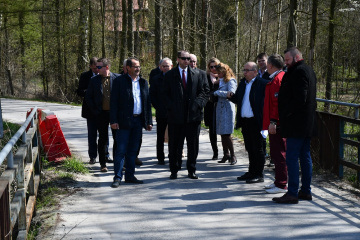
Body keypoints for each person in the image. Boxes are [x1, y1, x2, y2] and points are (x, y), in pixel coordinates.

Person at [273, 47, 317, 204]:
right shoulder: (308, 70)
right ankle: (305, 191)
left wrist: (287, 114)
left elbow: (300, 98)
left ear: (296, 57)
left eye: (287, 60)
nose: (285, 63)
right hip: (305, 123)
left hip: (296, 123)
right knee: (305, 156)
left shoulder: (298, 72)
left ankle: (292, 192)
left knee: (292, 157)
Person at [164, 50, 209, 180]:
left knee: (193, 145)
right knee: (174, 145)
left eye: (188, 58)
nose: (186, 61)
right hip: (175, 117)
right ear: (177, 59)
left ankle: (192, 169)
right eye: (183, 58)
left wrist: (197, 104)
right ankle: (174, 169)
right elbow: (164, 94)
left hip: (193, 117)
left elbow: (205, 91)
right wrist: (172, 107)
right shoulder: (170, 75)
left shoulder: (199, 74)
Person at [110, 57, 153, 187]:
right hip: (123, 122)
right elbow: (114, 103)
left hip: (138, 121)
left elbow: (147, 103)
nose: (138, 68)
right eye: (135, 66)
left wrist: (148, 121)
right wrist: (113, 120)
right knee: (121, 150)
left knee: (133, 150)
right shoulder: (119, 82)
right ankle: (117, 177)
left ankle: (130, 175)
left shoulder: (143, 83)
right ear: (128, 68)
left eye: (139, 66)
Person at [228, 62, 268, 183]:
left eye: (247, 70)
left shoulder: (262, 84)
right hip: (245, 121)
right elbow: (239, 99)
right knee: (249, 148)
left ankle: (259, 174)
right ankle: (251, 171)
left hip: (257, 121)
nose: (244, 72)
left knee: (258, 148)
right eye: (244, 70)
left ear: (255, 72)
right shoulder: (243, 84)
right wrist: (231, 96)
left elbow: (266, 103)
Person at [85, 58, 119, 172]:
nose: (96, 69)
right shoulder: (94, 80)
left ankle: (118, 163)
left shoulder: (118, 78)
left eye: (99, 67)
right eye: (96, 67)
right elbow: (88, 97)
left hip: (115, 114)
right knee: (103, 139)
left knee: (117, 139)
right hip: (101, 114)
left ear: (107, 67)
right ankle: (103, 164)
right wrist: (95, 110)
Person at [262, 54, 287, 194]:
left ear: (270, 65)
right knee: (276, 153)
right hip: (275, 123)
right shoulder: (276, 78)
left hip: (277, 124)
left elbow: (277, 104)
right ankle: (279, 180)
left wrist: (273, 121)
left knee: (280, 153)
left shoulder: (278, 79)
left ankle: (282, 183)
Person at [150, 57, 173, 165]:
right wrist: (158, 107)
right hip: (161, 112)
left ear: (171, 66)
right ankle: (160, 157)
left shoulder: (175, 78)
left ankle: (172, 155)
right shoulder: (155, 79)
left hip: (173, 112)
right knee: (160, 136)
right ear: (160, 67)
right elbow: (152, 96)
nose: (165, 68)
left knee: (173, 136)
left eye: (167, 66)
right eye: (163, 66)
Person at [213, 63, 237, 165]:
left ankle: (233, 155)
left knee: (227, 133)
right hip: (220, 107)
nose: (218, 75)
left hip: (227, 108)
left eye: (219, 73)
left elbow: (231, 93)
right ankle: (225, 154)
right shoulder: (220, 81)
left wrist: (217, 92)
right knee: (222, 133)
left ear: (224, 72)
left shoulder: (231, 81)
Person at [204, 58, 221, 160]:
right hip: (210, 106)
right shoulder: (205, 77)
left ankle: (227, 153)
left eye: (216, 66)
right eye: (211, 67)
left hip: (221, 106)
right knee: (212, 130)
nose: (214, 68)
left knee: (224, 131)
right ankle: (215, 152)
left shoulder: (223, 76)